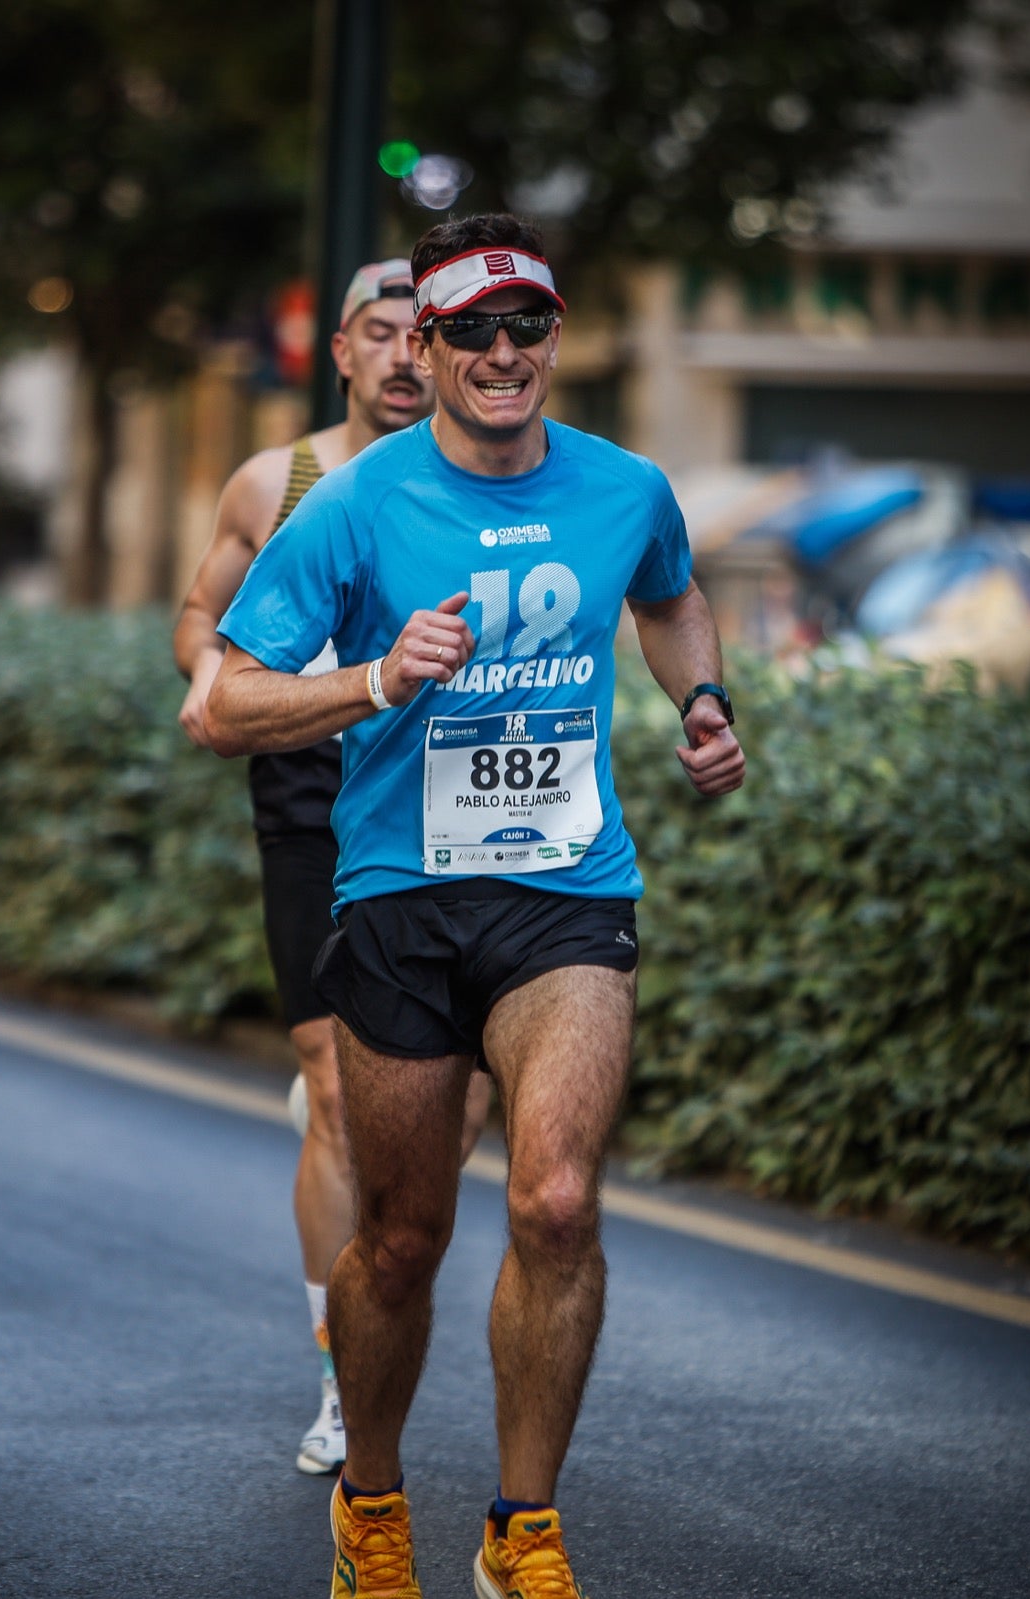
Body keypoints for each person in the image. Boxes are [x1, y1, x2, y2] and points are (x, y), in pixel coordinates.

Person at [205, 214, 745, 1597]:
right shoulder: (352, 504)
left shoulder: (626, 485)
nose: (505, 354)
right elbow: (224, 703)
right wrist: (377, 678)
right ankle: (372, 1501)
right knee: (404, 1233)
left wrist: (703, 699)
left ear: (553, 337)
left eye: (529, 328)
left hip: (566, 894)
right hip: (400, 896)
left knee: (558, 1198)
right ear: (426, 348)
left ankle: (523, 1527)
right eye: (472, 332)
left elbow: (674, 599)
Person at [175, 261, 490, 1477]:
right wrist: (224, 688)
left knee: (455, 1101)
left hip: (443, 787)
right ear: (345, 355)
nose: (409, 356)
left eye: (428, 334)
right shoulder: (281, 479)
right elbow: (199, 614)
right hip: (312, 785)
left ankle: (372, 1155)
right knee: (326, 1072)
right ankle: (334, 1370)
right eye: (382, 334)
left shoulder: (488, 470)